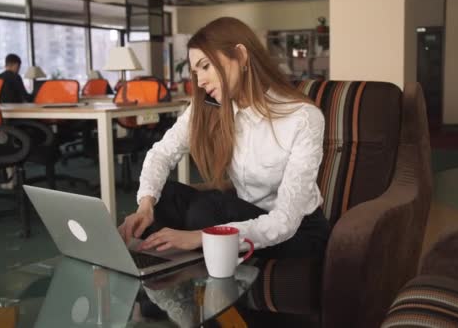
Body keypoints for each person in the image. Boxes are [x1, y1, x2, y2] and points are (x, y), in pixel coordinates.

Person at [118, 17, 330, 259]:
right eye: (195, 72)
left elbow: (285, 222)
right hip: (243, 212)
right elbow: (161, 153)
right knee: (163, 197)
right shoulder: (209, 107)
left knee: (204, 213)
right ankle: (158, 276)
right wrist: (145, 206)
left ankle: (189, 276)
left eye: (205, 66)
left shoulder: (303, 117)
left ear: (240, 56)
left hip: (298, 232)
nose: (200, 82)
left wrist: (201, 235)